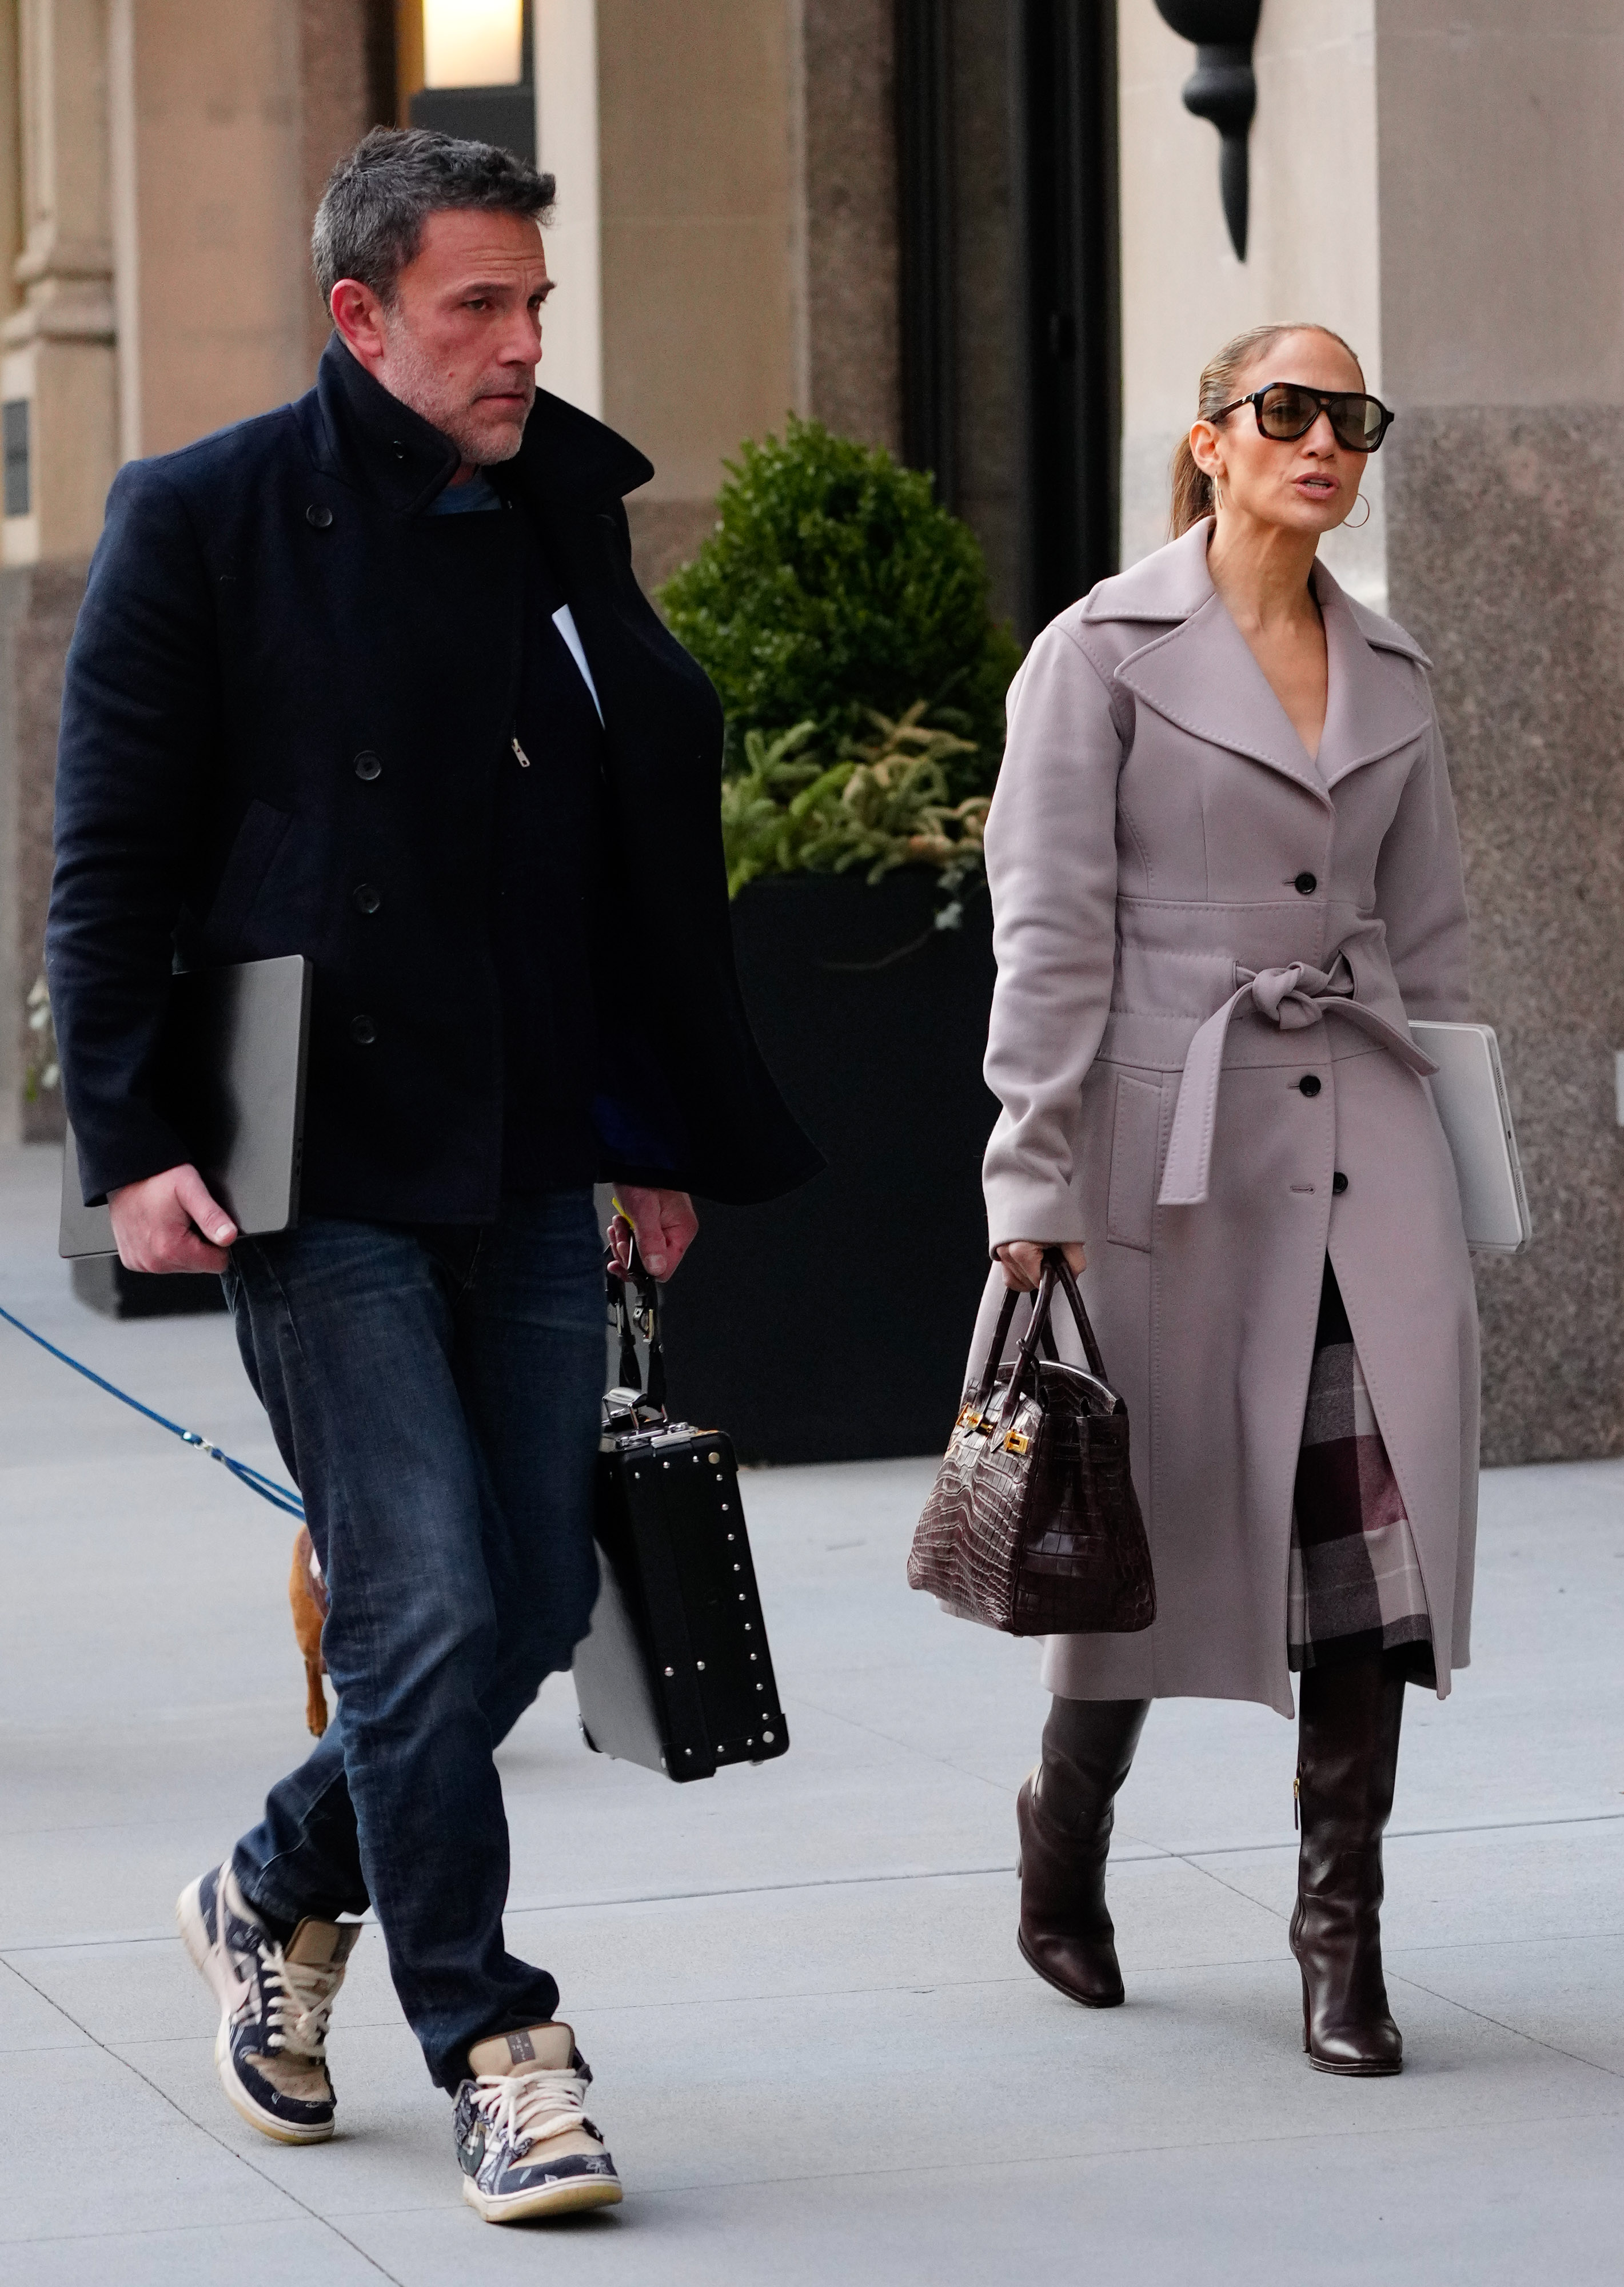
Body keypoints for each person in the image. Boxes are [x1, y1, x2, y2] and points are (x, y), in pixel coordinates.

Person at [46, 128, 817, 2220]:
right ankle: (494, 2039)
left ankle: (274, 1886)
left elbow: (620, 865)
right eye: (478, 306)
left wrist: (652, 1127)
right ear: (359, 316)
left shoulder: (562, 510)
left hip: (539, 1135)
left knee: (530, 1600)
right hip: (320, 1151)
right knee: (419, 1602)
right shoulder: (204, 519)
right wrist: (129, 1139)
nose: (519, 343)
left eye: (535, 304)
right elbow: (108, 852)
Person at [976, 322, 1478, 2075]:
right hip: (1162, 1162)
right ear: (1207, 442)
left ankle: (1338, 1935)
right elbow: (1047, 937)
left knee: (1375, 1548)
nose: (1323, 441)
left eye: (1352, 414)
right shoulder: (1096, 656)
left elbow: (1431, 947)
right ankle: (1065, 1840)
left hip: (1367, 1148)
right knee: (1143, 1538)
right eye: (1287, 411)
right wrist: (1027, 1175)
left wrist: (1467, 1173)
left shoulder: (1394, 668)